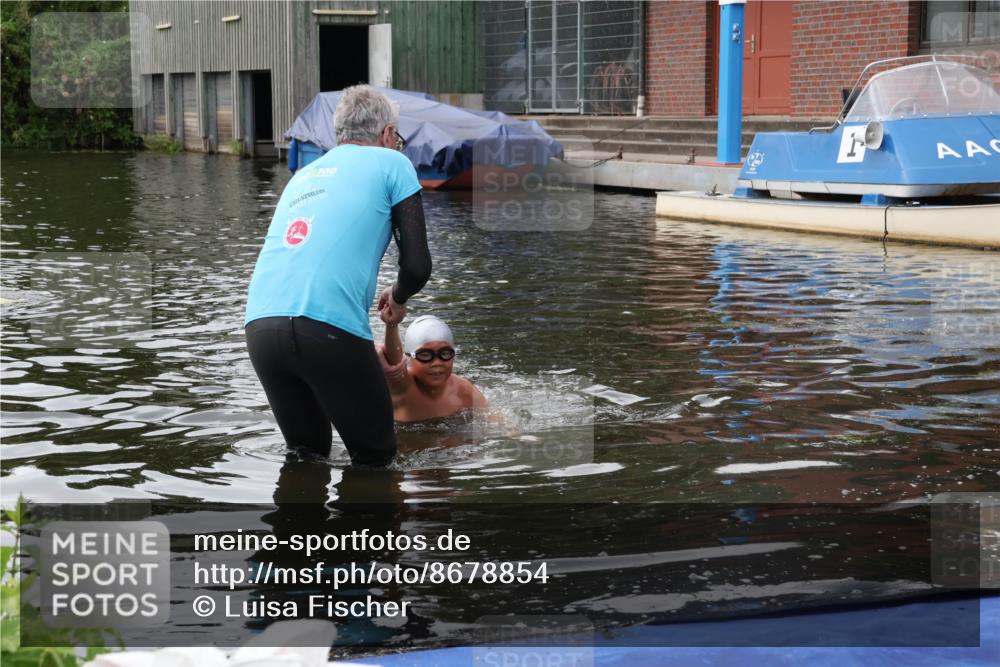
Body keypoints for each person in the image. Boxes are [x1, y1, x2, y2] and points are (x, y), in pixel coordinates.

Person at [244, 85, 431, 466]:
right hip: (328, 328)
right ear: (387, 135)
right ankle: (368, 527)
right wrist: (397, 298)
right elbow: (416, 266)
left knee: (306, 456)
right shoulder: (392, 162)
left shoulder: (302, 175)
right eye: (398, 139)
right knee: (376, 460)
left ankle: (297, 523)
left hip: (261, 328)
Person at [377, 314, 488, 423]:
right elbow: (394, 363)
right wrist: (392, 324)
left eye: (445, 354)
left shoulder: (463, 389)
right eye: (425, 355)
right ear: (409, 358)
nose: (437, 363)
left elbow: (494, 420)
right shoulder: (404, 387)